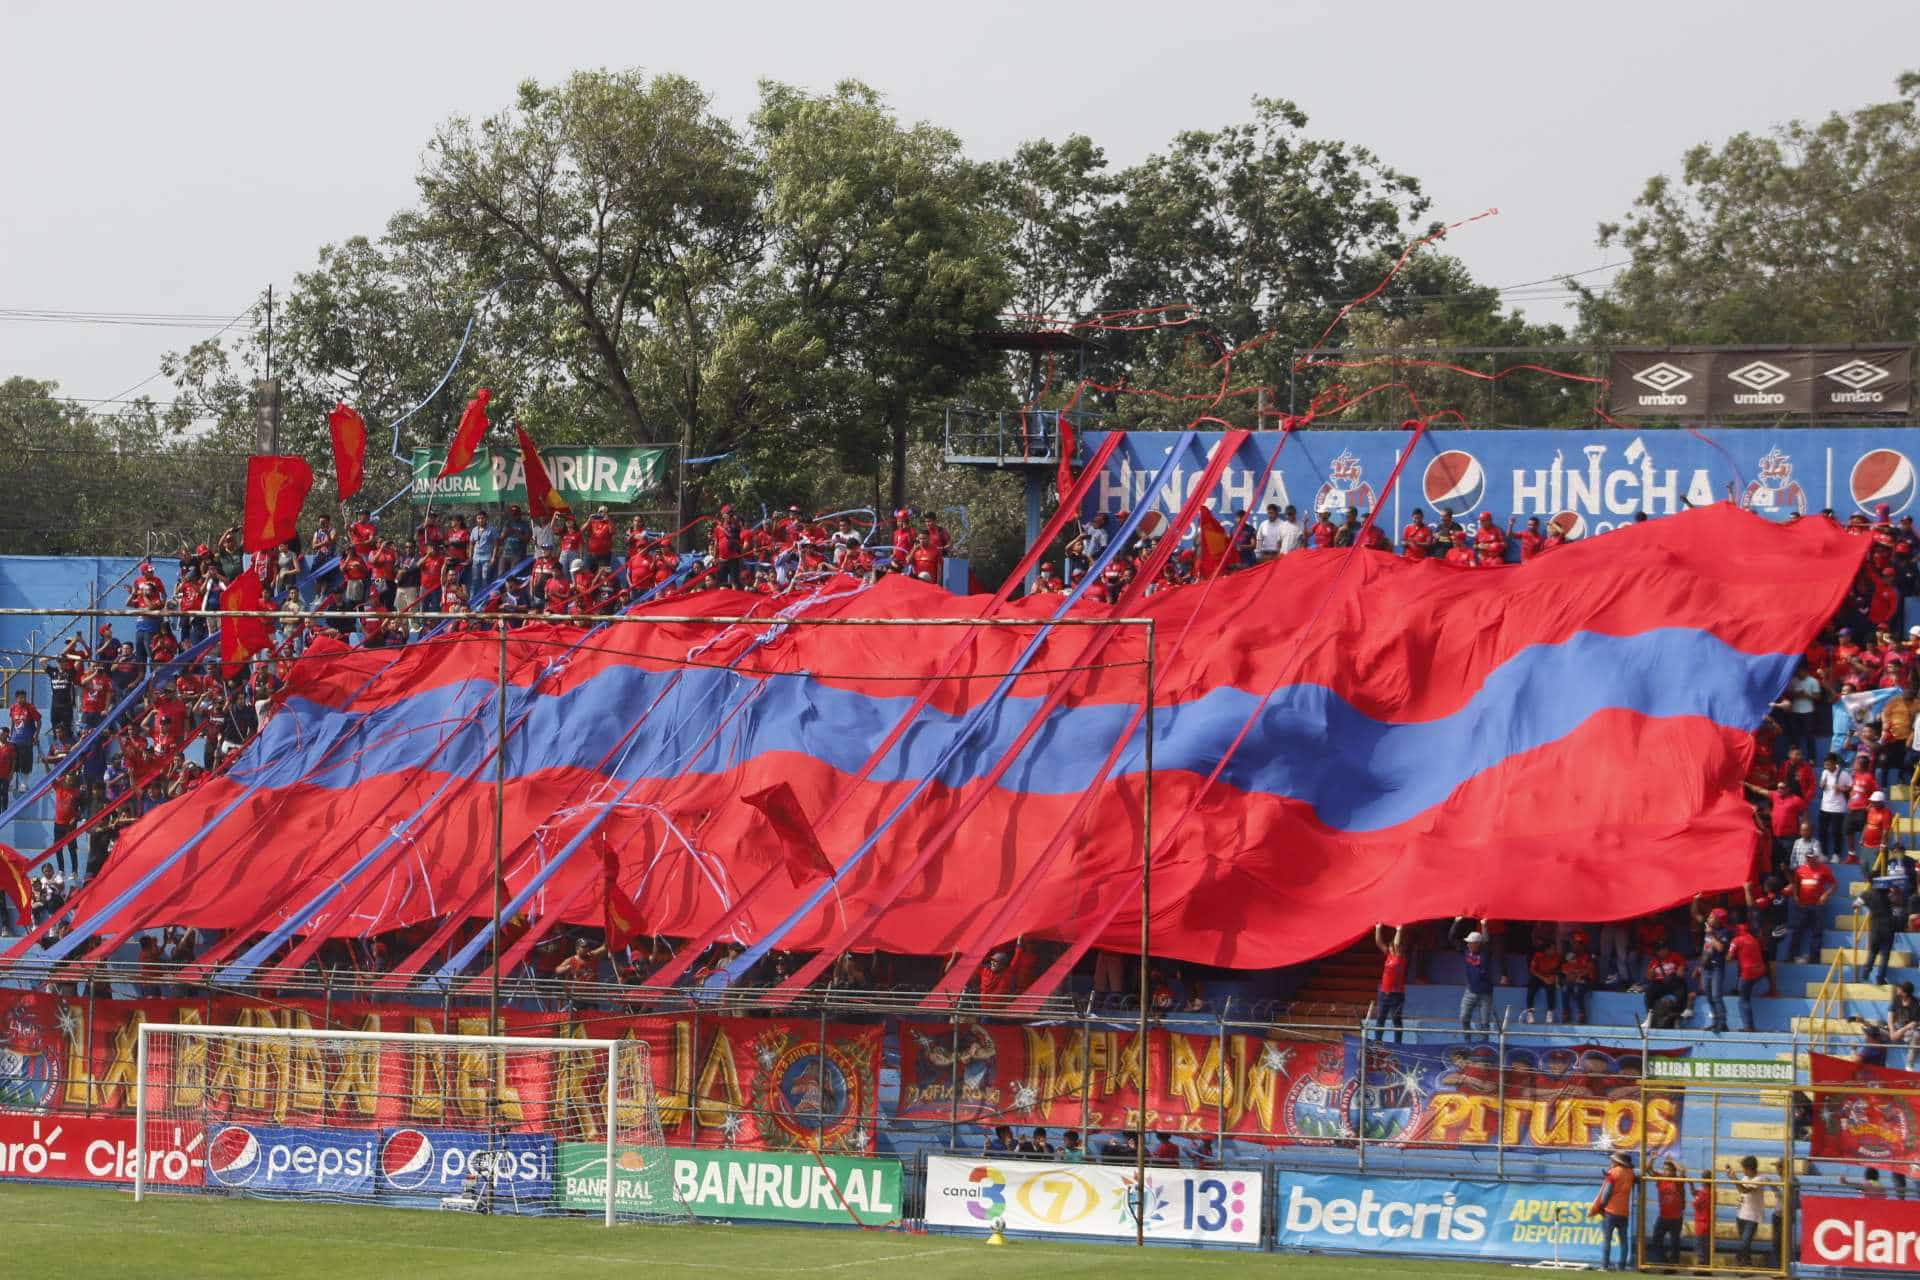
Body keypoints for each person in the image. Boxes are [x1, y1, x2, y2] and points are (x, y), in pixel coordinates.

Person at [1782, 849, 1837, 963]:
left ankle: (1814, 958)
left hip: (1817, 906)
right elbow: (1795, 884)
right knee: (1797, 931)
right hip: (1802, 906)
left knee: (1817, 932)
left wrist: (1825, 895)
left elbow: (1834, 885)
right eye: (1808, 857)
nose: (1810, 859)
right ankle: (1790, 956)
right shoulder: (1800, 870)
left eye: (1812, 857)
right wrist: (1796, 895)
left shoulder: (1824, 869)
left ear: (1816, 858)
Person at [1589, 1152, 1635, 1272]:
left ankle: (1605, 1265)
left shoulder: (1613, 1173)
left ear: (1617, 1161)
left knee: (1607, 1239)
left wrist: (1601, 1207)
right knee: (1624, 1241)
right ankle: (1622, 1266)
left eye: (1613, 1160)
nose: (1611, 1162)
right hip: (1624, 1212)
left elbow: (1607, 1193)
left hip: (1611, 1211)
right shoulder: (1630, 1173)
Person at [1455, 919, 1494, 1040]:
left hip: (1485, 993)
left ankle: (1484, 1045)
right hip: (1470, 991)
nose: (1468, 945)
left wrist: (1483, 925)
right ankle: (1467, 1040)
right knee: (1463, 1017)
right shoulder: (1466, 952)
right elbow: (1451, 938)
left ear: (1478, 943)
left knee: (1485, 1022)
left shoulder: (1485, 953)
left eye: (1471, 943)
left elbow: (1487, 940)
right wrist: (1456, 922)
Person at [1730, 921, 1769, 1031]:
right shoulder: (1753, 939)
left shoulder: (1736, 940)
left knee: (1744, 1000)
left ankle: (1749, 1027)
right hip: (1759, 971)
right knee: (1744, 990)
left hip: (1747, 973)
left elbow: (1729, 957)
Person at [1372, 924, 1408, 1042]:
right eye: (1391, 947)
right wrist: (1378, 927)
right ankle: (1377, 1041)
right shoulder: (1389, 956)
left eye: (1393, 947)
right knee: (1380, 1019)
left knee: (1396, 1020)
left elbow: (1397, 944)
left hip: (1396, 995)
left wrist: (1399, 930)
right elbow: (1378, 942)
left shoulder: (1400, 958)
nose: (1392, 948)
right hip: (1384, 993)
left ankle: (1398, 1044)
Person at [1734, 1155, 1771, 1267]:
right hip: (1741, 1214)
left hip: (1753, 1216)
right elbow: (1741, 1192)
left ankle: (1739, 1259)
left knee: (1745, 1242)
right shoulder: (1744, 1178)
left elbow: (1745, 1190)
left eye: (1744, 1168)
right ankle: (1746, 1264)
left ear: (1750, 1168)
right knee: (1745, 1243)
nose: (1743, 1170)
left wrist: (1733, 1179)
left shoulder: (1759, 1179)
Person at [1650, 1158, 1687, 1265]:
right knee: (1656, 1239)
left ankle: (1673, 1265)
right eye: (1665, 1169)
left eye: (1669, 1170)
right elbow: (1648, 1170)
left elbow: (1683, 1171)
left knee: (1674, 1242)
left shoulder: (1678, 1181)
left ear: (1673, 1171)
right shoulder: (1661, 1179)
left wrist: (1673, 1160)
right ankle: (1663, 1261)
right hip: (1663, 1216)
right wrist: (1652, 1159)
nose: (1666, 1172)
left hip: (1676, 1217)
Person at [1817, 752, 1851, 861]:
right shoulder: (1824, 772)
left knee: (1836, 831)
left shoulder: (1844, 774)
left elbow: (1851, 787)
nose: (1827, 767)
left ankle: (1836, 854)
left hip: (1838, 808)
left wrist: (1841, 789)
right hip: (1825, 807)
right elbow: (1821, 785)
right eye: (1825, 765)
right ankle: (1824, 853)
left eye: (1829, 765)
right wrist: (1821, 785)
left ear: (1835, 763)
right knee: (1822, 831)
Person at [1524, 933, 1561, 1024]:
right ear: (1547, 950)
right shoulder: (1538, 956)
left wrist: (1553, 977)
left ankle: (1550, 1012)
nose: (1554, 951)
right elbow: (1532, 970)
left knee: (1550, 989)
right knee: (1531, 989)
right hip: (1539, 976)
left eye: (1555, 949)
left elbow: (1559, 970)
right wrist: (1543, 978)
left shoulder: (1557, 957)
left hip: (1550, 977)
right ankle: (1530, 1013)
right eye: (1552, 949)